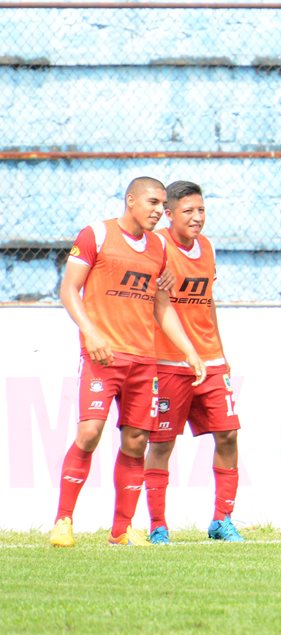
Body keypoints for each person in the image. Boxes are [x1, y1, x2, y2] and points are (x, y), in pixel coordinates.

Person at [51, 176, 205, 548]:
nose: (158, 211)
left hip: (144, 360)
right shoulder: (96, 235)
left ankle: (121, 529)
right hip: (103, 355)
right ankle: (63, 521)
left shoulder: (159, 249)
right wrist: (92, 332)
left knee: (137, 441)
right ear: (130, 200)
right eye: (152, 202)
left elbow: (161, 305)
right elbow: (69, 290)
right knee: (89, 433)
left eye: (161, 204)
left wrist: (189, 350)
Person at [144, 181, 243, 544]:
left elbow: (208, 300)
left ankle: (222, 519)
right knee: (162, 444)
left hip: (210, 360)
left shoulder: (208, 248)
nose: (197, 217)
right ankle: (157, 525)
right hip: (169, 362)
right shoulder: (157, 248)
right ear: (169, 214)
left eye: (201, 210)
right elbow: (150, 301)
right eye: (188, 211)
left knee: (229, 434)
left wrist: (220, 350)